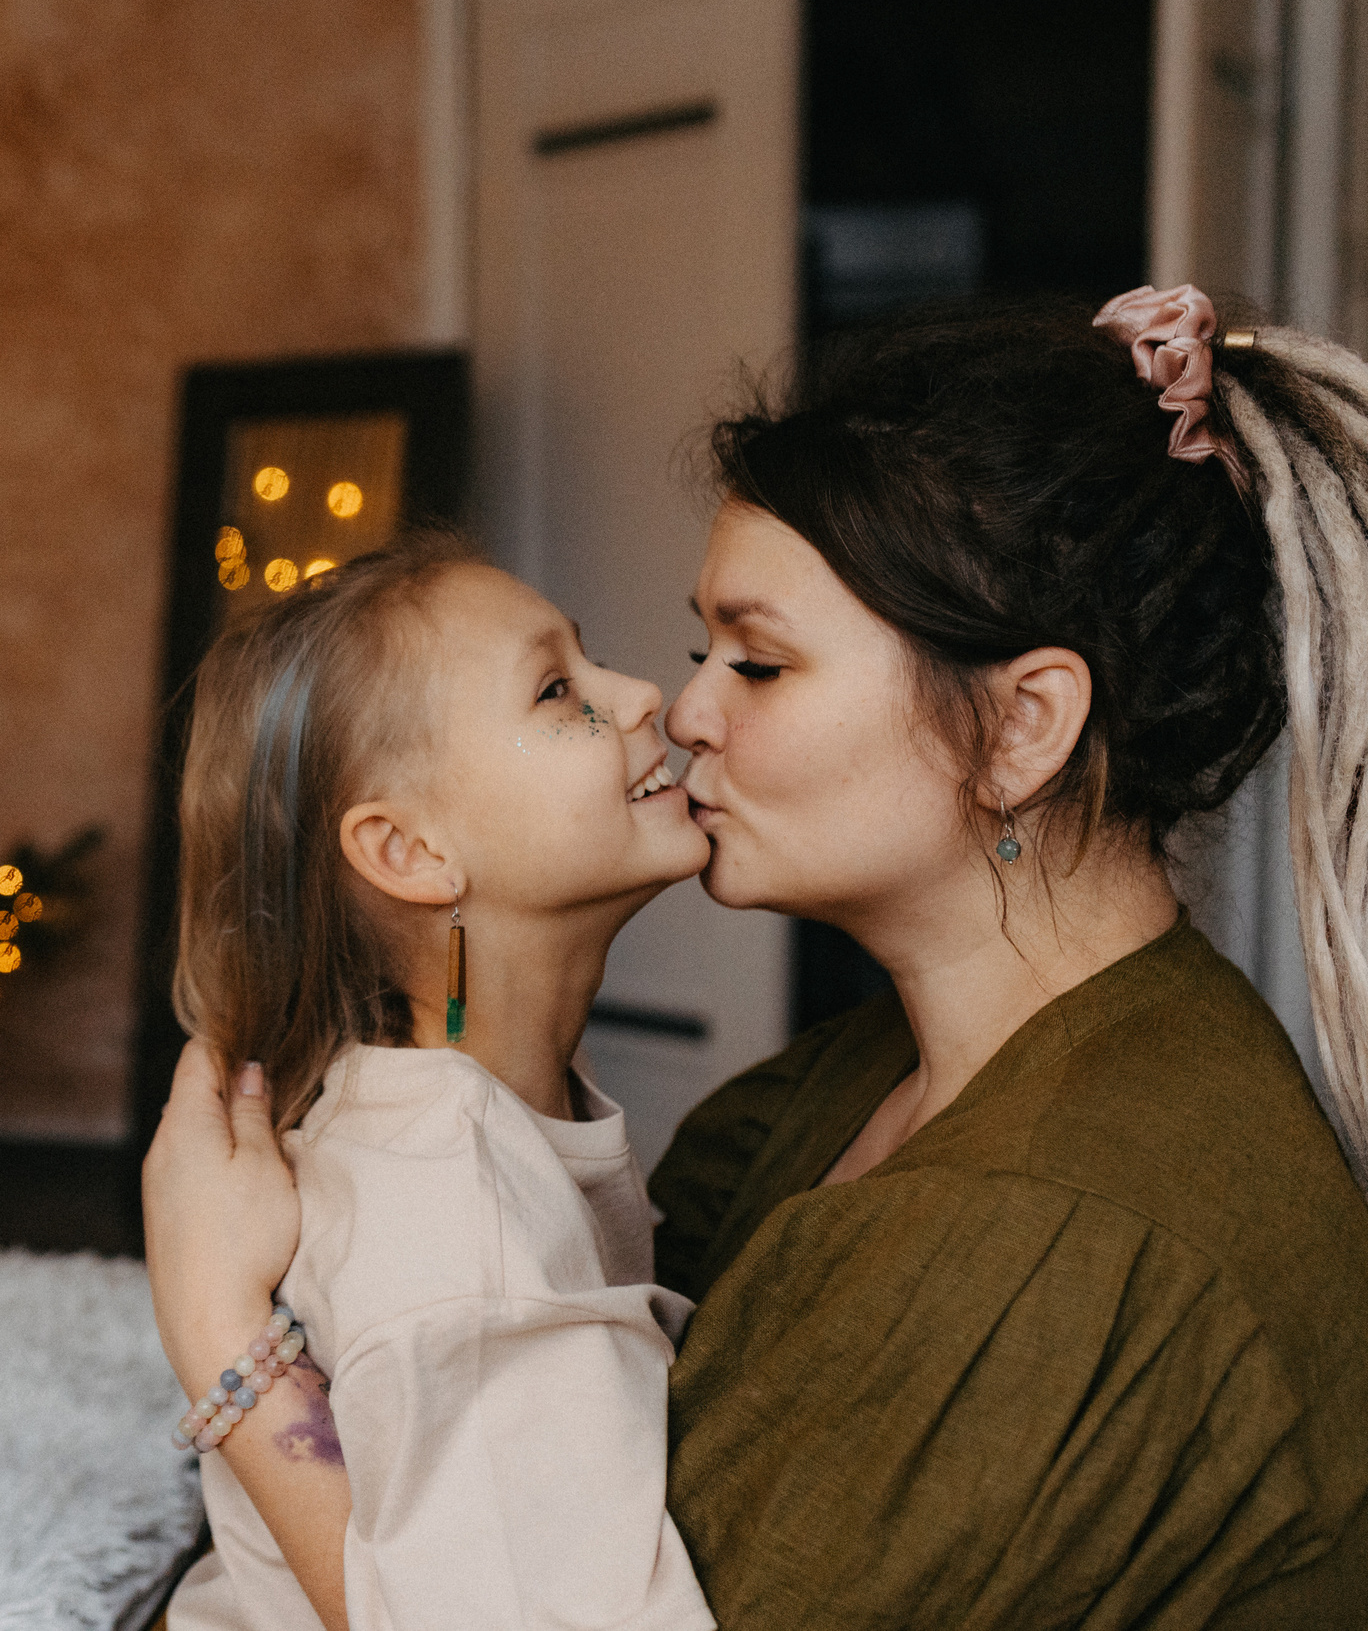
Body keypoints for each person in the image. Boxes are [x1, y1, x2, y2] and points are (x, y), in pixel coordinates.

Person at [143, 289, 1368, 1628]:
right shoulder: (840, 1090)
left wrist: (225, 1339)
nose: (684, 707)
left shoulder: (1050, 1233)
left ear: (1023, 725)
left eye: (764, 665)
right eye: (697, 648)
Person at [157, 534, 717, 1630]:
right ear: (408, 851)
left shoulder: (493, 1100)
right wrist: (217, 1339)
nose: (647, 694)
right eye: (557, 687)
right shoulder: (454, 1216)